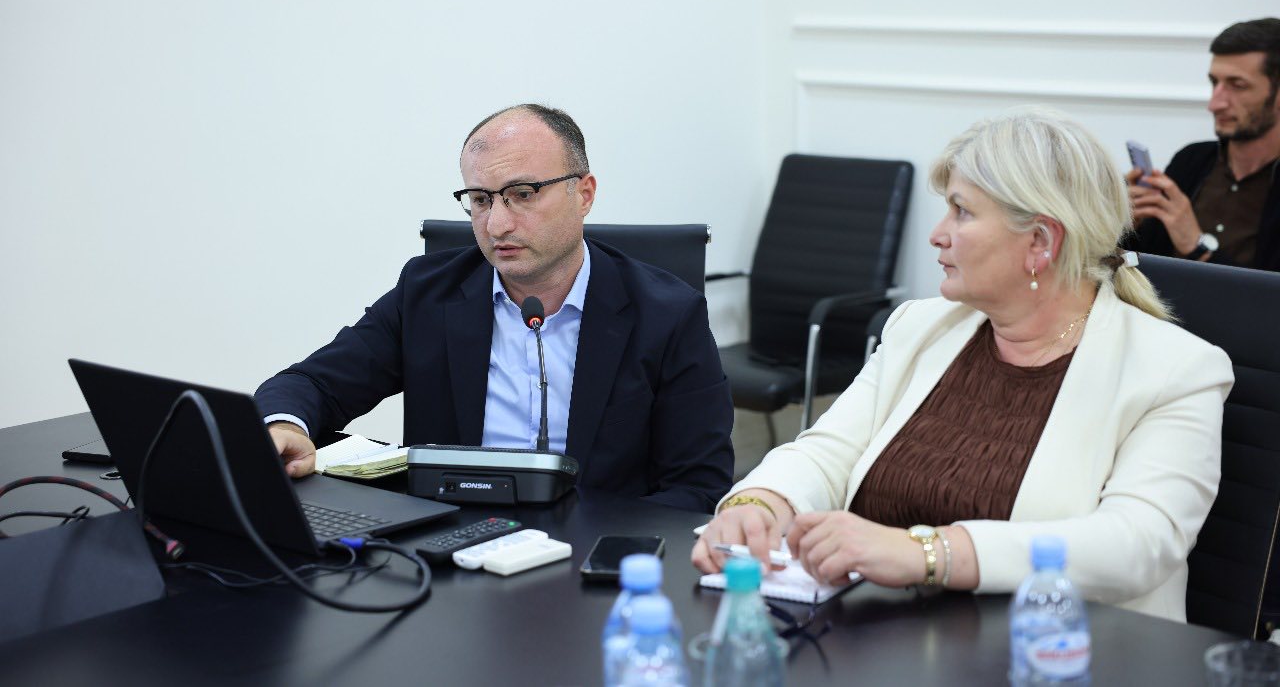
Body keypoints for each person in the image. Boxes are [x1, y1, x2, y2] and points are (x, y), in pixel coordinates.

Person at [692, 108, 1233, 621]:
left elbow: (1136, 545)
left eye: (962, 211)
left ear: (1040, 241)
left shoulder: (1176, 370)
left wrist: (927, 552)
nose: (938, 234)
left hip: (1059, 650)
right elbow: (827, 452)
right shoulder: (921, 327)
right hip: (882, 637)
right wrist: (760, 504)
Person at [256, 104, 734, 512]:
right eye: (481, 200)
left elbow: (697, 487)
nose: (497, 224)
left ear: (584, 194)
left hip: (594, 552)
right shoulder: (428, 293)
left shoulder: (667, 315)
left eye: (523, 194)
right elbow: (312, 384)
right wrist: (282, 426)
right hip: (453, 547)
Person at [1124, 17, 1280, 271]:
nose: (1215, 103)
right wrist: (1128, 222)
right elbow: (1140, 268)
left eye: (1237, 86)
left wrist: (1197, 248)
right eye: (1214, 83)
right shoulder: (1192, 160)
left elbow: (1268, 291)